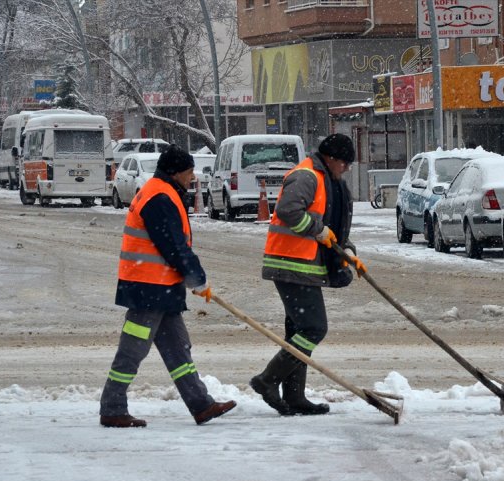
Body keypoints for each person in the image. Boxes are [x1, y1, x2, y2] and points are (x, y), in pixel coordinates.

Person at [99, 145, 236, 427]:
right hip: (148, 288)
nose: (192, 177)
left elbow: (174, 245)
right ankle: (112, 408)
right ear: (175, 172)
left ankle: (201, 404)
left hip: (160, 287)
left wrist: (192, 278)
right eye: (189, 172)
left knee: (178, 350)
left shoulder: (162, 192)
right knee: (132, 350)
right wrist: (196, 279)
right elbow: (174, 246)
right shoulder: (159, 198)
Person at [250, 133, 367, 416]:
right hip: (291, 264)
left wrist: (346, 251)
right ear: (330, 158)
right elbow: (288, 210)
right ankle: (267, 380)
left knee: (299, 331)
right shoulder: (307, 176)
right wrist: (318, 230)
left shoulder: (328, 179)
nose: (346, 169)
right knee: (314, 328)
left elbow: (331, 224)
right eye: (344, 163)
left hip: (303, 265)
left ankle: (294, 396)